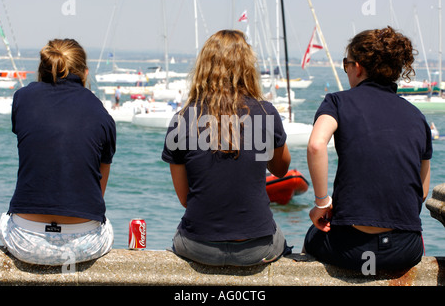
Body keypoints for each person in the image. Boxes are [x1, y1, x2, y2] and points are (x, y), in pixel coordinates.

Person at [303, 26, 432, 272]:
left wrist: (322, 203)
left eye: (346, 64)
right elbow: (422, 191)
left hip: (349, 247)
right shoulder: (417, 117)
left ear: (358, 67)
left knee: (312, 238)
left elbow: (316, 145)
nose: (347, 71)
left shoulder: (337, 102)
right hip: (405, 248)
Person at [161, 30, 292, 266]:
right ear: (248, 67)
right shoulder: (265, 113)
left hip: (198, 247)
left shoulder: (181, 119)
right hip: (257, 248)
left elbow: (185, 199)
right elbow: (281, 170)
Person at [0, 39, 116, 266]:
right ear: (85, 73)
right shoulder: (101, 113)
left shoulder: (22, 99)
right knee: (106, 226)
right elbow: (98, 191)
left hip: (26, 240)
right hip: (84, 243)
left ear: (42, 68)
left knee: (5, 219)